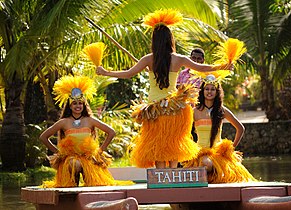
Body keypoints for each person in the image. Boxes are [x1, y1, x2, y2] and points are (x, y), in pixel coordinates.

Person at [96, 9, 232, 169]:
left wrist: (106, 72)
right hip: (175, 109)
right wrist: (224, 66)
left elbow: (127, 74)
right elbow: (202, 68)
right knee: (174, 145)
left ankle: (161, 178)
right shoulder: (179, 59)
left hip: (154, 111)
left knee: (158, 147)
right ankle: (173, 176)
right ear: (170, 40)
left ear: (154, 41)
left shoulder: (148, 59)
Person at [39, 75, 133, 187]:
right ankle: (72, 186)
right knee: (74, 163)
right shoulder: (64, 122)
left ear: (84, 105)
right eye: (74, 103)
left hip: (88, 157)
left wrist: (100, 151)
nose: (78, 106)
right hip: (70, 159)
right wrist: (59, 153)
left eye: (80, 103)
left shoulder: (90, 120)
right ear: (70, 106)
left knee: (90, 174)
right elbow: (43, 137)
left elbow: (111, 132)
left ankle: (87, 186)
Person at [183, 74, 257, 183]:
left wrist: (230, 148)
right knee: (205, 163)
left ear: (217, 92)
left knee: (211, 165)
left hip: (218, 153)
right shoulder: (194, 111)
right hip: (200, 153)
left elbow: (240, 128)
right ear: (202, 91)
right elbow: (184, 132)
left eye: (213, 89)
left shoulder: (222, 110)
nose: (209, 92)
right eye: (207, 89)